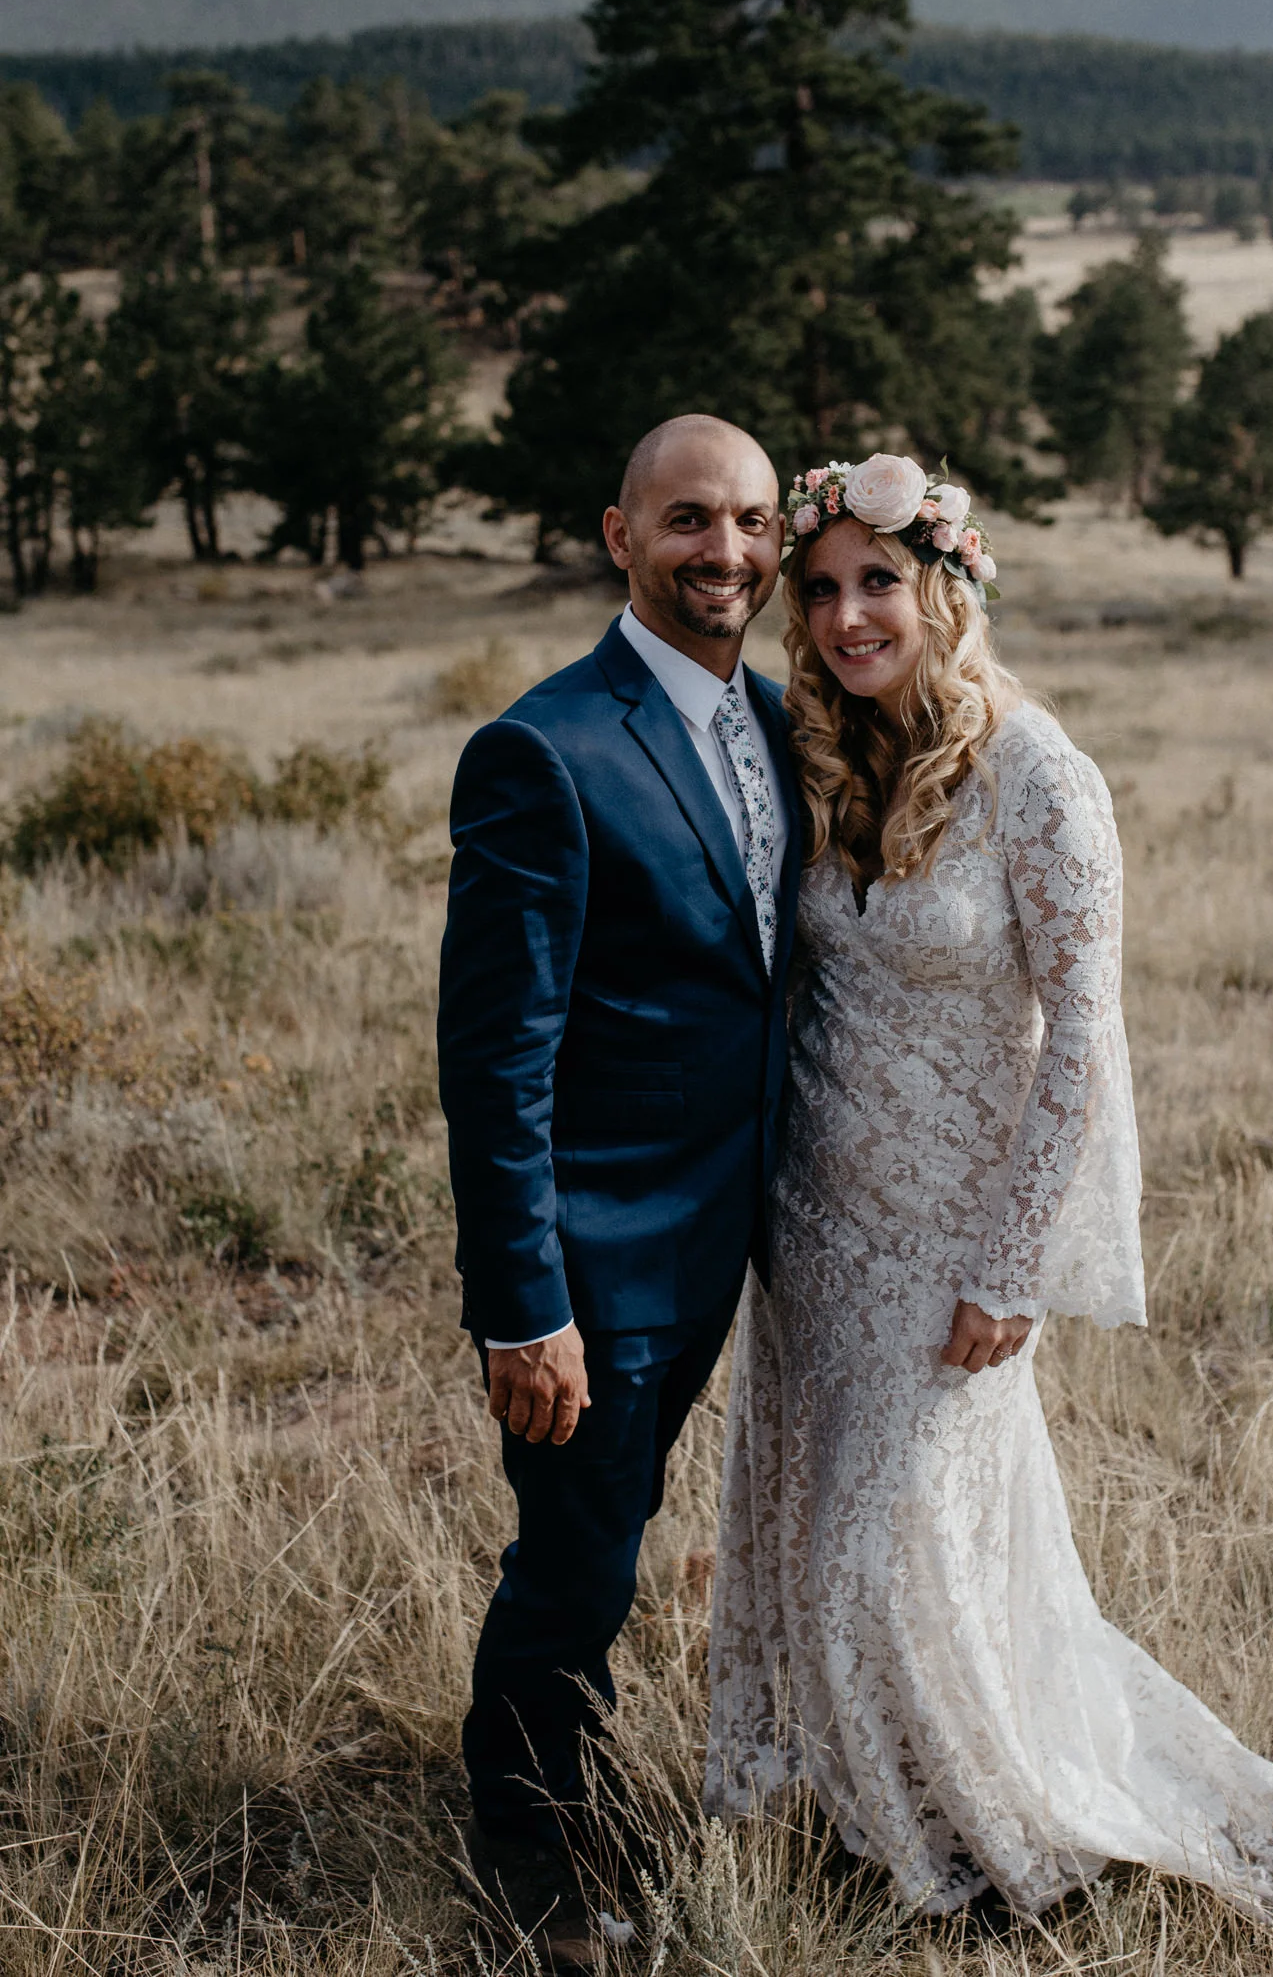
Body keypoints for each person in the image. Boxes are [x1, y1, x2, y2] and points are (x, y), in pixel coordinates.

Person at [705, 452, 1273, 1922]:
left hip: (951, 1236)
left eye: (882, 582)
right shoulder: (817, 750)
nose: (851, 616)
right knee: (820, 1533)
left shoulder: (1040, 776)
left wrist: (1011, 1262)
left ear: (947, 588)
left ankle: (997, 1848)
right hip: (816, 1221)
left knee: (885, 1544)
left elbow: (1083, 1042)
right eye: (826, 589)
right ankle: (869, 1813)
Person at [438, 414, 801, 1967]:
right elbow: (496, 1062)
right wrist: (529, 1309)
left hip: (734, 1242)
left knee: (629, 1529)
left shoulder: (783, 723)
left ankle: (583, 1796)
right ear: (619, 534)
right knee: (578, 1561)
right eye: (690, 522)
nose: (726, 551)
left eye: (751, 523)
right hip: (596, 1263)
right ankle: (530, 1853)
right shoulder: (545, 749)